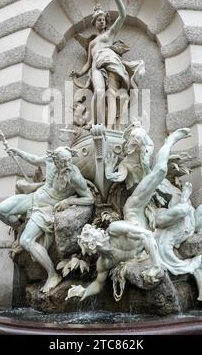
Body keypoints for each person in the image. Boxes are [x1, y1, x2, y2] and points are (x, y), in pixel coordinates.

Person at [67, 127, 191, 301]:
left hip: (135, 208)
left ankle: (171, 140)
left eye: (90, 236)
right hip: (152, 225)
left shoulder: (114, 229)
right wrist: (84, 291)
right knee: (182, 211)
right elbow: (98, 283)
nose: (92, 239)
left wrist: (156, 266)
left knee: (161, 170)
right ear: (91, 248)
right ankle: (184, 200)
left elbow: (146, 236)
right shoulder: (104, 262)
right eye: (89, 241)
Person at [0, 146, 94, 293]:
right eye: (63, 161)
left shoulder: (73, 175)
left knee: (26, 241)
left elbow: (90, 199)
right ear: (55, 160)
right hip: (33, 198)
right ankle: (22, 225)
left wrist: (69, 201)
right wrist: (17, 151)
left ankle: (53, 275)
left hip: (45, 210)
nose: (67, 164)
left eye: (69, 160)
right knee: (1, 210)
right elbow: (34, 159)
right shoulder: (49, 160)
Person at [71, 0, 144, 129]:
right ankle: (97, 123)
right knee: (98, 91)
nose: (102, 21)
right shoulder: (92, 44)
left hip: (111, 64)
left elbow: (122, 15)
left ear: (106, 22)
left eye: (103, 19)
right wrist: (78, 73)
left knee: (111, 94)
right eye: (99, 19)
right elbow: (88, 62)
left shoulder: (110, 34)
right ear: (94, 23)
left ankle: (107, 126)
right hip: (96, 68)